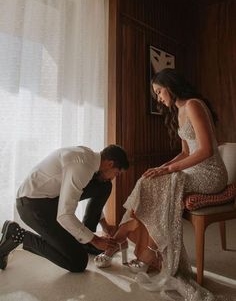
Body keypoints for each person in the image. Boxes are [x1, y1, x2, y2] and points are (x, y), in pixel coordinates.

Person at [94, 68, 228, 300]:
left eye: (158, 92)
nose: (158, 98)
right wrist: (161, 167)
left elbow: (206, 150)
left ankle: (126, 245)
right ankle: (139, 248)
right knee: (148, 180)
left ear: (170, 86)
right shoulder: (179, 112)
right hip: (192, 170)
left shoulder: (193, 105)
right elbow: (185, 152)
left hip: (211, 174)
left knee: (162, 182)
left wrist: (169, 170)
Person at [0, 144, 129, 273]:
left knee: (105, 186)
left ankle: (86, 242)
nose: (113, 178)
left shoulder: (89, 158)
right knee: (77, 262)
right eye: (116, 174)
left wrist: (104, 225)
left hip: (51, 199)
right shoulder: (82, 168)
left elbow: (79, 195)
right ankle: (17, 234)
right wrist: (95, 240)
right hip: (32, 205)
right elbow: (65, 215)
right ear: (110, 164)